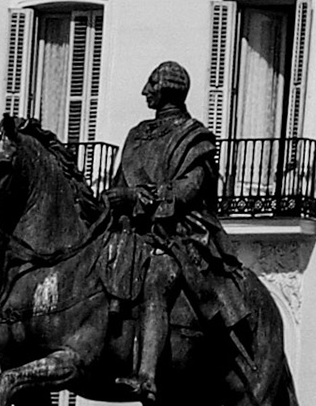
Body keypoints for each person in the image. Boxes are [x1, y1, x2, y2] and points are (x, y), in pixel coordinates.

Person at [103, 61, 255, 405]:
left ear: (168, 87)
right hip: (135, 229)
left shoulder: (193, 135)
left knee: (159, 274)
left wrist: (136, 198)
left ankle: (146, 377)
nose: (145, 91)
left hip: (182, 231)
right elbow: (121, 184)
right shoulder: (136, 133)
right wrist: (112, 201)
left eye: (151, 83)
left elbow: (188, 191)